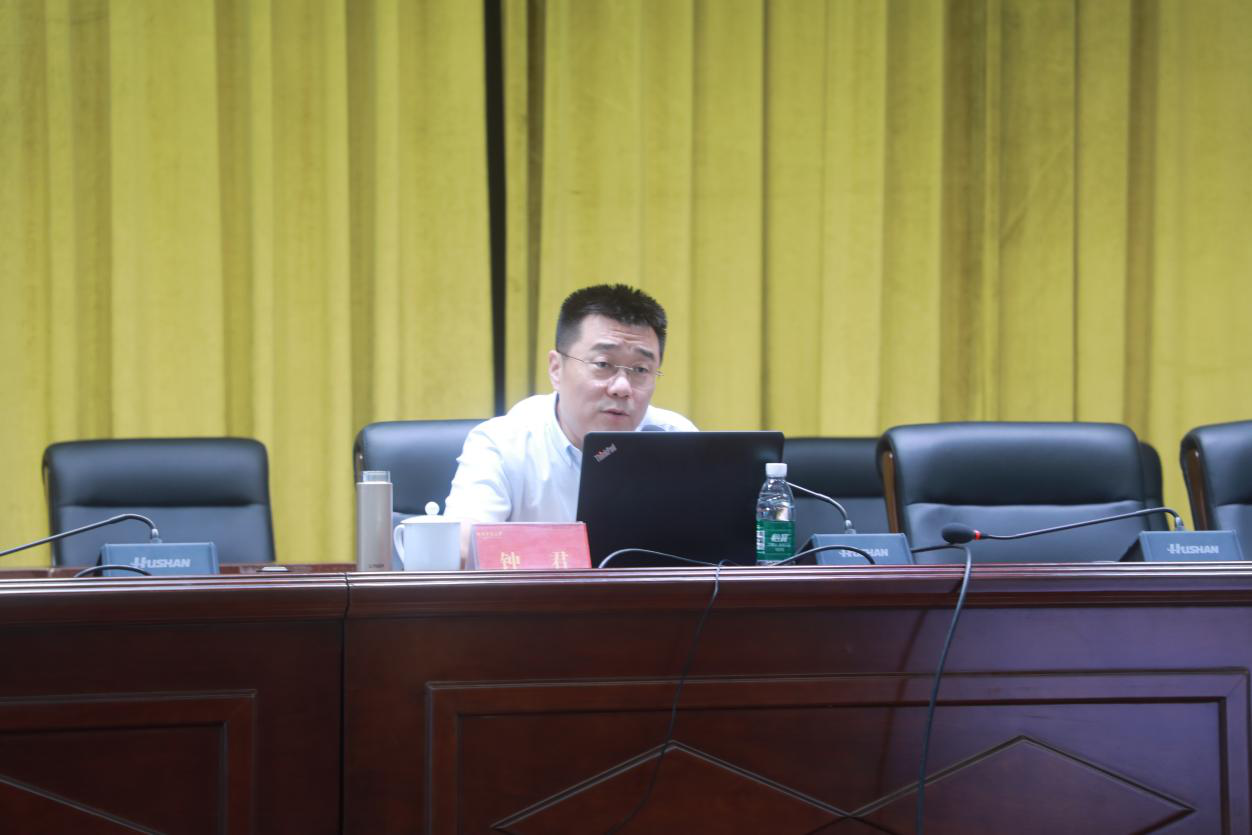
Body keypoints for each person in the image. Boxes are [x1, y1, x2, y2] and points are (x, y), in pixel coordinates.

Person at [443, 284, 696, 537]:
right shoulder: (503, 444)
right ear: (556, 369)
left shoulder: (678, 441)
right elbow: (462, 546)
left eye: (640, 370)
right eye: (603, 364)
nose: (622, 387)